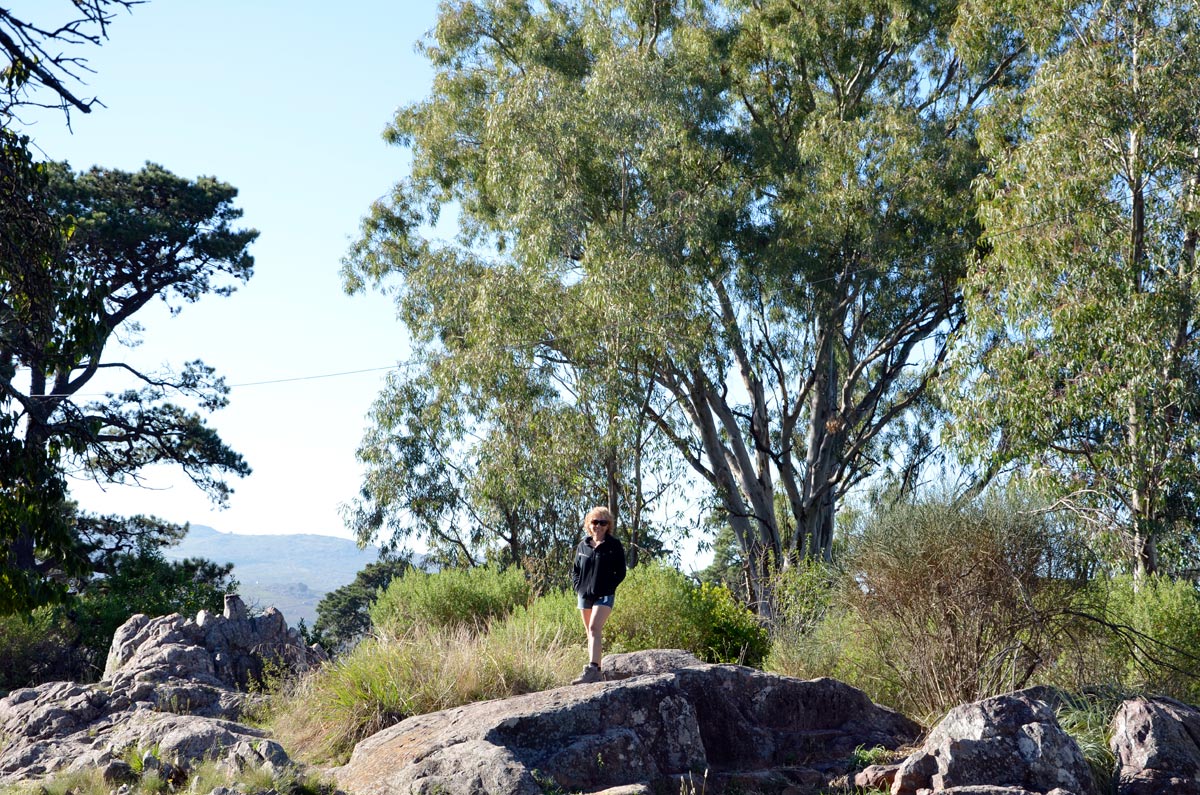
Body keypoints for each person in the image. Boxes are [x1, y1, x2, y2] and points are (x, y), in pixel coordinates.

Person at [570, 505, 626, 684]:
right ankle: (597, 671)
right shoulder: (583, 545)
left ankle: (592, 668)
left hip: (604, 595)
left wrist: (609, 586)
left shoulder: (613, 545)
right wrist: (578, 587)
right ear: (589, 524)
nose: (598, 526)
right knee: (590, 632)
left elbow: (621, 572)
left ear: (608, 525)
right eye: (595, 522)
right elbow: (575, 570)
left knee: (594, 628)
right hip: (584, 595)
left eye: (603, 522)